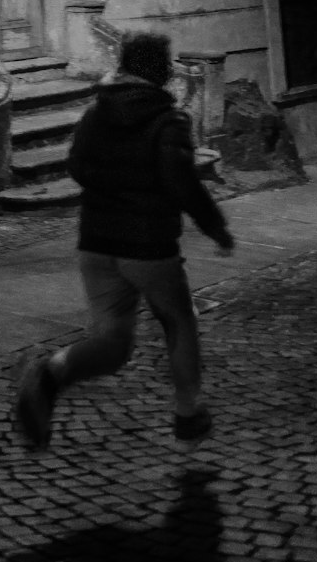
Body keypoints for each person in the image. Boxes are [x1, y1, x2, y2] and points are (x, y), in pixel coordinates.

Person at [15, 31, 234, 450]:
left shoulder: (96, 114)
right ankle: (188, 412)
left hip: (96, 243)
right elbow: (181, 183)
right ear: (162, 71)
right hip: (149, 246)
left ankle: (48, 374)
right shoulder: (168, 121)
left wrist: (115, 187)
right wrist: (217, 228)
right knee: (179, 322)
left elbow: (77, 167)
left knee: (112, 343)